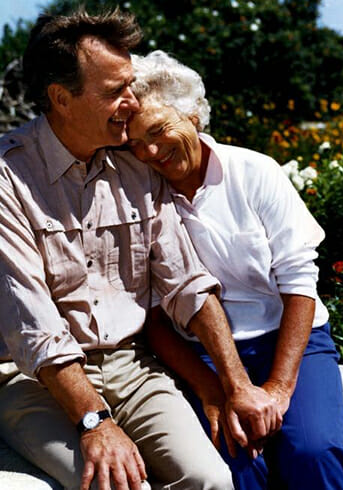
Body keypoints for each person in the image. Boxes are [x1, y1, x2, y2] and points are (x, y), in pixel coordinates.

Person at [0, 10, 250, 490]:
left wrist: (232, 384)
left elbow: (188, 284)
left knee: (212, 480)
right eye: (115, 92)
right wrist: (96, 422)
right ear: (60, 99)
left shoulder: (137, 168)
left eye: (129, 85)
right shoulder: (8, 177)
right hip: (34, 381)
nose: (132, 103)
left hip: (132, 366)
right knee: (114, 486)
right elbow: (31, 321)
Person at [127, 50, 343, 490]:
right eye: (134, 143)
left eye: (157, 130)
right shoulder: (140, 198)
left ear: (192, 116)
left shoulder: (255, 172)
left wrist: (279, 392)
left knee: (315, 449)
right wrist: (215, 388)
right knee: (234, 460)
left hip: (290, 343)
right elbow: (150, 318)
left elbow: (300, 283)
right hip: (201, 354)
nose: (150, 151)